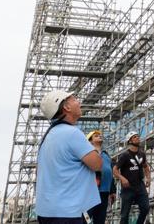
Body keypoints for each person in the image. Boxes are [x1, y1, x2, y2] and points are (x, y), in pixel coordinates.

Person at [34, 90, 103, 224]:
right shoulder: (72, 133)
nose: (79, 102)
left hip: (46, 211)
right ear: (67, 107)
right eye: (74, 99)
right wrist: (96, 147)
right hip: (68, 212)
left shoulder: (47, 137)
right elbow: (97, 164)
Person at [113, 131, 152, 224]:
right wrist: (122, 178)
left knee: (145, 207)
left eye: (138, 136)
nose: (137, 138)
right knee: (124, 214)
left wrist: (148, 178)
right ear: (129, 141)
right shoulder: (125, 155)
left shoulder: (142, 154)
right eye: (134, 137)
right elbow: (115, 170)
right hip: (128, 187)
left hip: (139, 185)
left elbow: (146, 166)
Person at [86, 130, 116, 224]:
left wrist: (112, 191)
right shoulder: (88, 153)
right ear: (90, 141)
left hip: (104, 192)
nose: (99, 136)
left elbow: (110, 174)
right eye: (96, 136)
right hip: (91, 191)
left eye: (100, 135)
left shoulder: (105, 154)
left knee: (100, 219)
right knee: (85, 217)